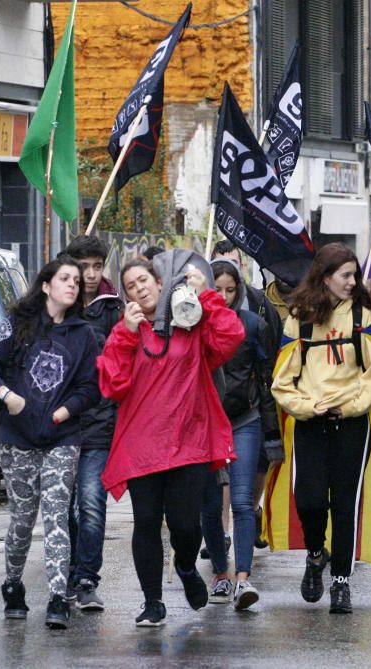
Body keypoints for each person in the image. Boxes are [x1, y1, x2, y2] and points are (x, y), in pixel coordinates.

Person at [97, 251, 244, 627]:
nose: (138, 289)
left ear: (160, 282)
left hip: (187, 440)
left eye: (143, 281)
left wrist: (205, 295)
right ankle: (152, 602)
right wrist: (126, 335)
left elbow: (231, 337)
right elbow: (112, 384)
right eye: (130, 286)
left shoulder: (189, 320)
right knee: (145, 521)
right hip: (141, 445)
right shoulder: (125, 330)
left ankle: (185, 565)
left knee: (185, 525)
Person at [0, 255, 101, 630]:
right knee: (23, 522)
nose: (73, 285)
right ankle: (13, 586)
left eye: (77, 281)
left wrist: (64, 412)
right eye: (65, 279)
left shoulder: (84, 335)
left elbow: (91, 388)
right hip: (17, 438)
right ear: (46, 285)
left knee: (57, 513)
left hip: (62, 437)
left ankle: (58, 597)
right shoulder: (17, 324)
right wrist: (7, 396)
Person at [271, 243, 371, 614]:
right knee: (308, 500)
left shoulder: (362, 317)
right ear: (325, 277)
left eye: (355, 275)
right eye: (347, 275)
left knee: (344, 504)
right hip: (310, 423)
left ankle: (341, 582)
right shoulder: (299, 318)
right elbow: (281, 382)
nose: (354, 282)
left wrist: (349, 406)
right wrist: (307, 408)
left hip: (351, 424)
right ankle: (314, 554)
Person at [200, 259, 281, 609]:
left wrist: (272, 435)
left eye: (230, 290)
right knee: (208, 504)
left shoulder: (252, 325)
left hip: (244, 419)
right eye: (215, 288)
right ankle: (220, 574)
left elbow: (265, 383)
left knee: (243, 501)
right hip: (205, 425)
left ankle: (243, 580)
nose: (222, 296)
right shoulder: (192, 325)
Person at [62, 235, 123, 612]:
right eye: (82, 267)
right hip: (60, 425)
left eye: (96, 267)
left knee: (91, 503)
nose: (88, 275)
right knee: (63, 505)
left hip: (100, 424)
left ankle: (87, 577)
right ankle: (67, 569)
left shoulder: (114, 309)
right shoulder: (54, 305)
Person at [210, 240, 282, 548]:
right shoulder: (193, 313)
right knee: (220, 482)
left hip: (248, 408)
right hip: (212, 411)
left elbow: (271, 358)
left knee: (251, 478)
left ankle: (250, 512)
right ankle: (222, 535)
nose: (224, 296)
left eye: (234, 262)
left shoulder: (259, 307)